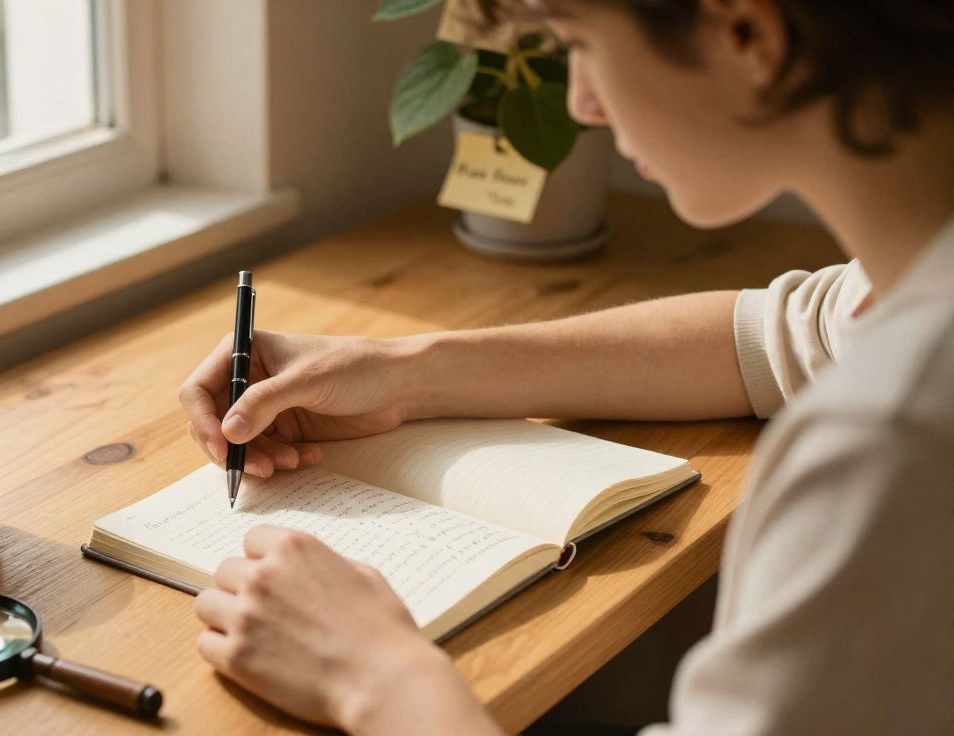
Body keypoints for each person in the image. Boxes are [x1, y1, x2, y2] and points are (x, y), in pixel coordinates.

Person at [178, 0, 954, 733]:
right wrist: (404, 370)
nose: (581, 103)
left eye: (582, 44)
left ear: (748, 35)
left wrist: (376, 677)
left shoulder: (891, 438)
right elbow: (780, 335)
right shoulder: (915, 272)